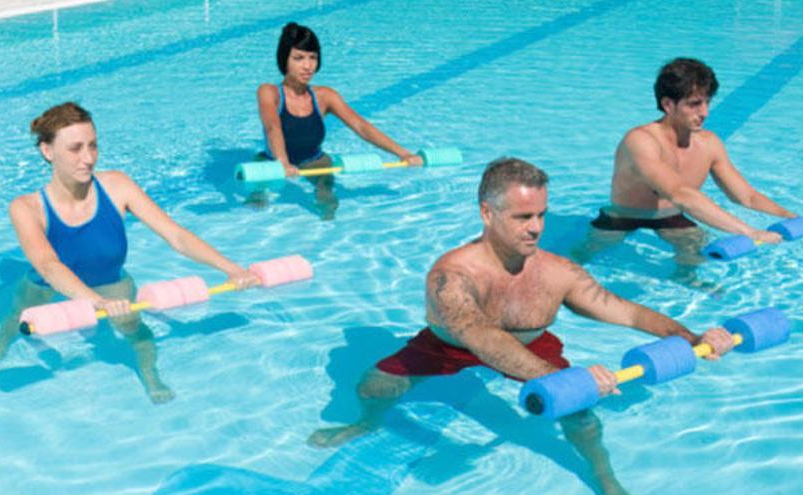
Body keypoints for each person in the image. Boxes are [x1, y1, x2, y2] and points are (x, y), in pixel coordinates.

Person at [308, 158, 735, 495]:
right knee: (373, 387)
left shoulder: (557, 271)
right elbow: (482, 340)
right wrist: (566, 378)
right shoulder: (452, 274)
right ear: (487, 213)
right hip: (449, 347)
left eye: (541, 215)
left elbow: (624, 311)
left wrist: (691, 337)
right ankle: (366, 423)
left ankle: (604, 479)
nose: (536, 228)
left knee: (580, 412)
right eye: (522, 216)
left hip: (533, 344)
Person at [0, 102, 261, 403]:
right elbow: (48, 265)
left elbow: (175, 235)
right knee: (12, 322)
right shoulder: (26, 207)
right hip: (47, 286)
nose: (88, 159)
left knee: (134, 329)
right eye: (75, 149)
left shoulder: (117, 186)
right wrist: (96, 302)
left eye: (93, 146)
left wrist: (232, 269)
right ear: (48, 151)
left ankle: (151, 377)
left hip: (110, 283)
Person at [571, 58, 803, 284]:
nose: (704, 112)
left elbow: (745, 196)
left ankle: (684, 279)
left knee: (695, 246)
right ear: (668, 104)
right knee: (584, 256)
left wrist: (793, 217)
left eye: (706, 102)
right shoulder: (640, 141)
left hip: (670, 216)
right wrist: (749, 232)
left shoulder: (709, 143)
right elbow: (680, 193)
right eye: (694, 104)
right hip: (624, 216)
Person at [256, 22, 423, 219]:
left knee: (328, 205)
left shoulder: (325, 96)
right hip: (272, 161)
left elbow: (361, 126)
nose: (308, 66)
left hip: (314, 161)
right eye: (299, 58)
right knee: (256, 204)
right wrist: (283, 163)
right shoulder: (269, 92)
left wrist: (403, 153)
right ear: (285, 60)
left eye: (313, 58)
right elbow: (272, 127)